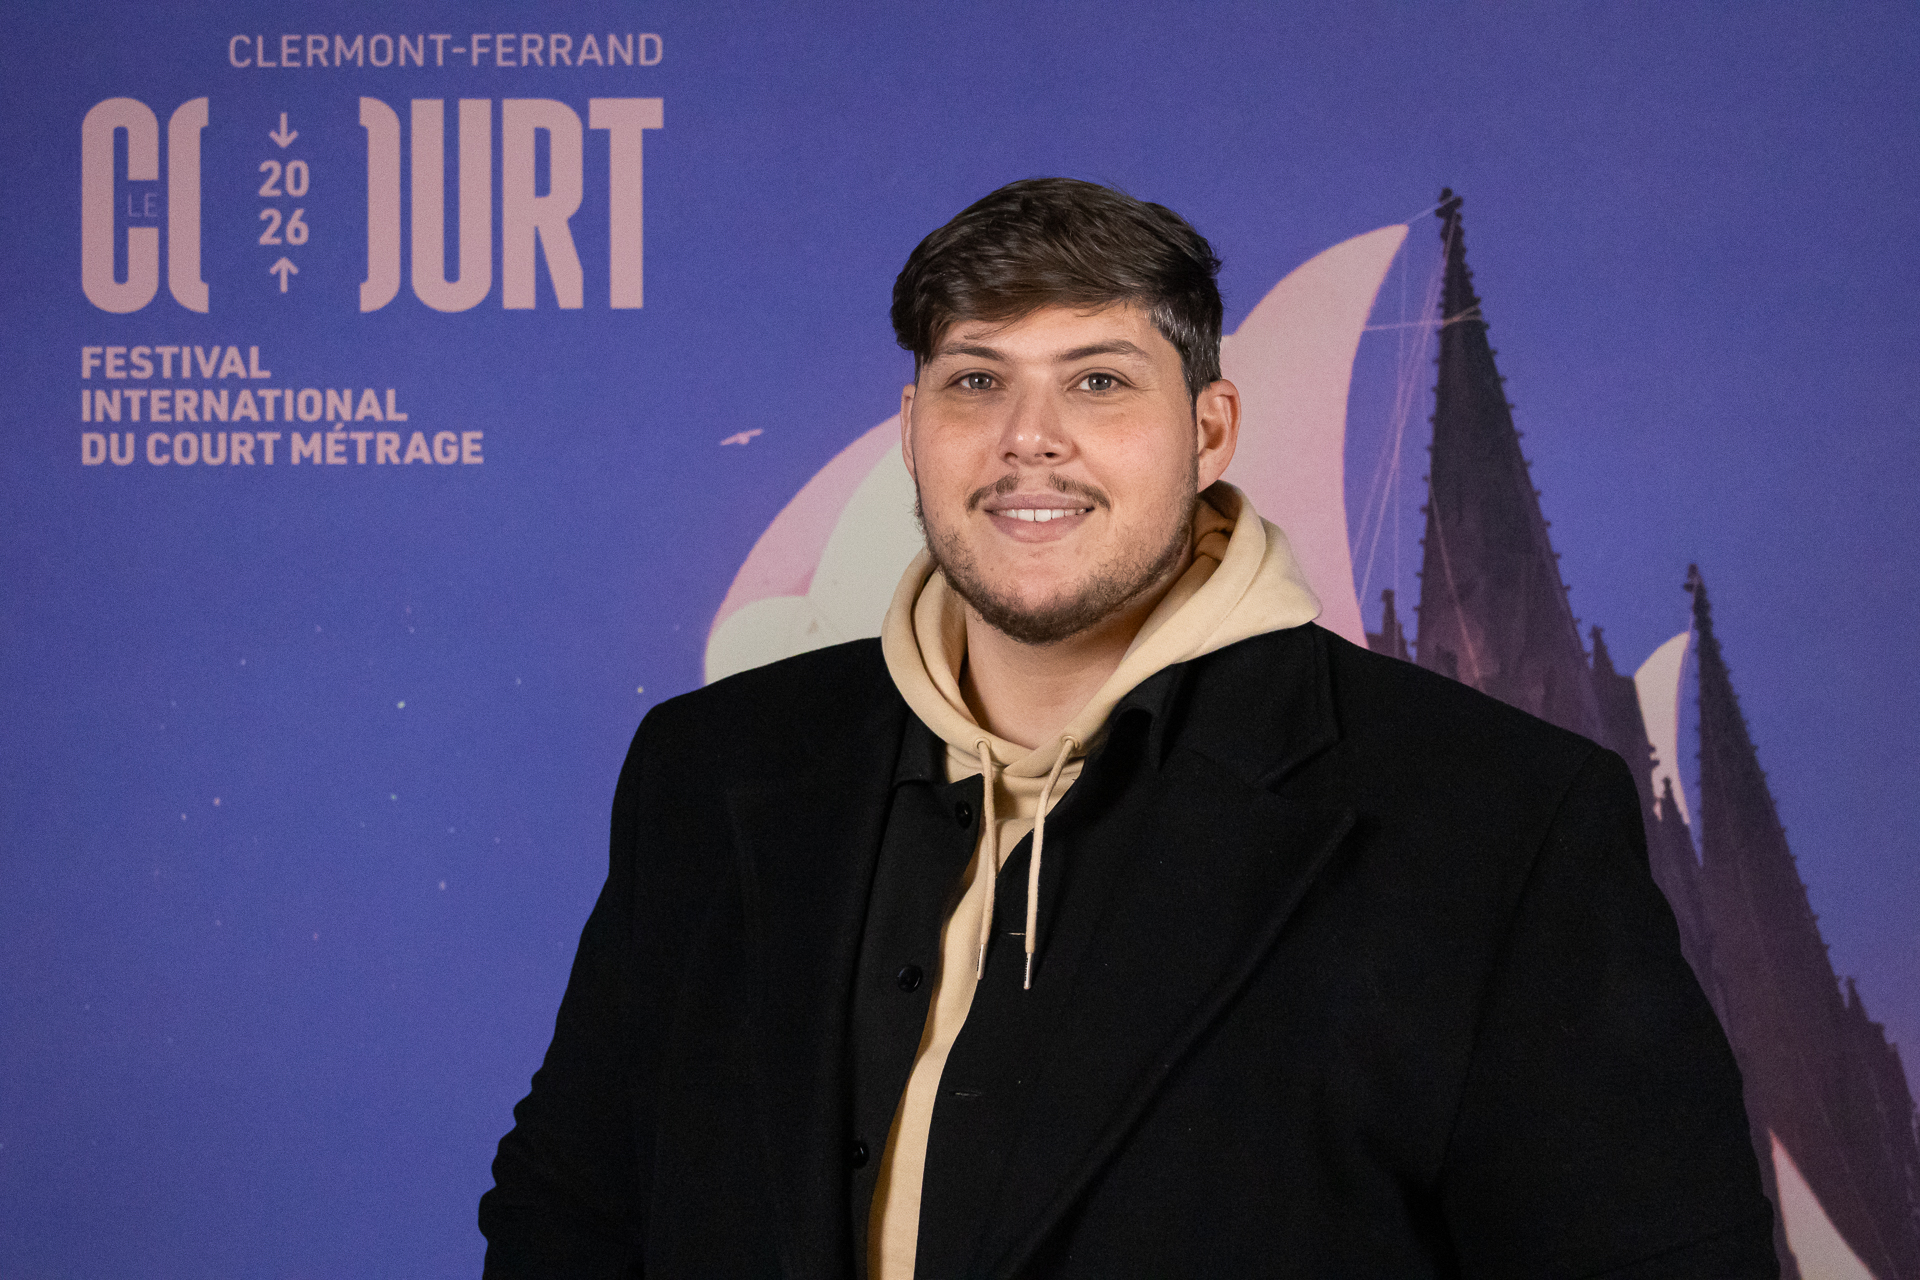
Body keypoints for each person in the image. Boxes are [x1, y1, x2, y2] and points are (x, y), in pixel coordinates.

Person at [479, 178, 1775, 1279]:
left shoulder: (1499, 818)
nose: (1028, 441)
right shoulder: (712, 768)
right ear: (913, 431)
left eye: (1098, 380)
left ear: (1209, 431)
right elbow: (570, 1213)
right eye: (975, 381)